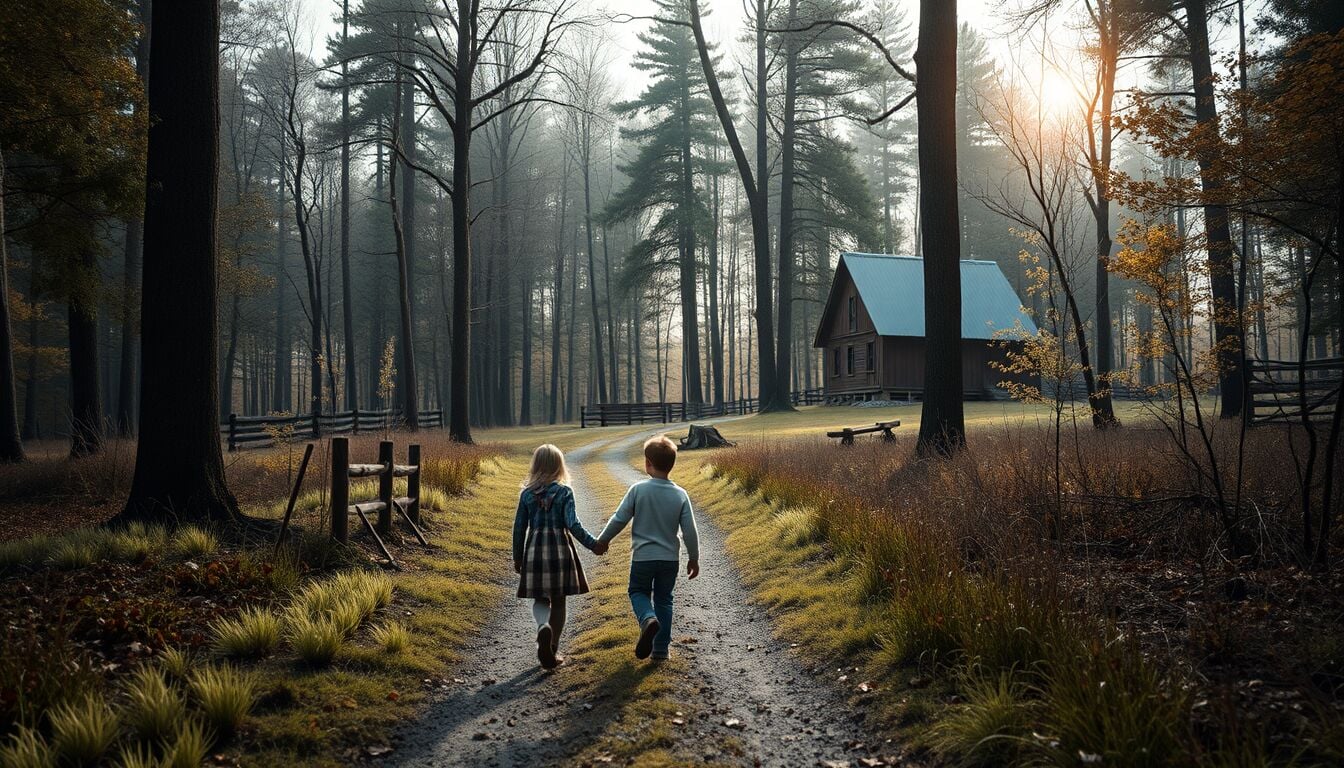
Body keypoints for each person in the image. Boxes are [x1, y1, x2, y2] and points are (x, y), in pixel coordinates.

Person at [595, 435, 700, 661]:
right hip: (670, 560)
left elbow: (619, 519)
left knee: (638, 592)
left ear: (647, 463)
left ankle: (647, 619)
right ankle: (661, 650)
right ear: (671, 464)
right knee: (664, 599)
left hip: (643, 558)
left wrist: (603, 540)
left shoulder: (638, 490)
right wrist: (694, 557)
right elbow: (689, 530)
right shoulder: (680, 494)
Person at [513, 444, 603, 669]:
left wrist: (518, 557)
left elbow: (519, 528)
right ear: (559, 466)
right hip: (560, 550)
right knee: (559, 601)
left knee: (540, 598)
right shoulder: (565, 492)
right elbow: (573, 524)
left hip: (534, 549)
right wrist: (593, 545)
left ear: (535, 466)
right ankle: (552, 647)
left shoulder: (526, 495)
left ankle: (543, 625)